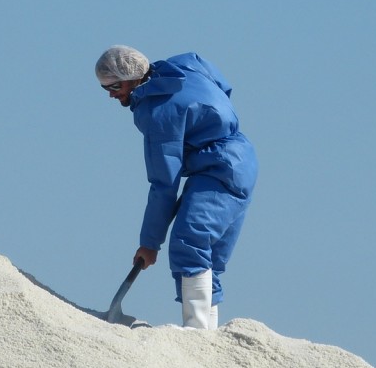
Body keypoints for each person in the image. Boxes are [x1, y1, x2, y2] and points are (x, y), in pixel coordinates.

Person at [95, 46, 258, 329]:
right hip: (241, 158)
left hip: (217, 167)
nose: (111, 93)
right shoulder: (184, 65)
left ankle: (196, 333)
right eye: (105, 87)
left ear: (132, 78)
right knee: (209, 260)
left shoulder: (156, 112)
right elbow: (221, 85)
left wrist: (150, 242)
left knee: (189, 240)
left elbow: (164, 183)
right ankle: (210, 336)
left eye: (115, 85)